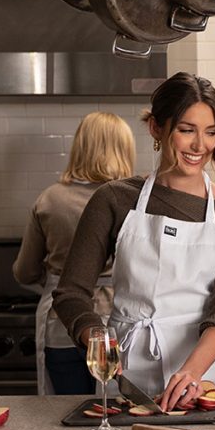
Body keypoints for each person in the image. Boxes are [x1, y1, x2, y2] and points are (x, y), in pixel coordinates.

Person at [54, 72, 215, 410]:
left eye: (211, 132)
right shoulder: (114, 199)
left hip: (204, 376)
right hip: (126, 369)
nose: (200, 146)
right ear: (156, 128)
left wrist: (191, 372)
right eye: (187, 130)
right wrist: (97, 340)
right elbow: (70, 293)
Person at [13, 112, 135, 396]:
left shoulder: (49, 199)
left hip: (61, 323)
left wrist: (55, 280)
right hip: (117, 323)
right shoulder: (132, 201)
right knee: (112, 408)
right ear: (124, 150)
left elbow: (24, 271)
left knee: (67, 409)